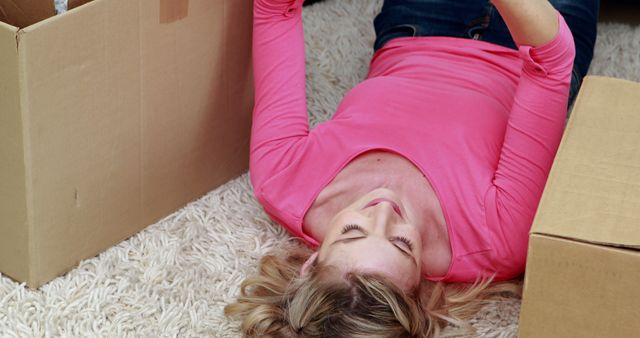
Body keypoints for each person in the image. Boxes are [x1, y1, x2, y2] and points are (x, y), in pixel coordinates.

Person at [226, 0, 599, 336]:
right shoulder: (494, 242)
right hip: (537, 34)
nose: (385, 209)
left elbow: (276, 9)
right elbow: (549, 62)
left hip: (418, 23)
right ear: (420, 288)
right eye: (403, 244)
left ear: (310, 263)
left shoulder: (283, 179)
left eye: (353, 231)